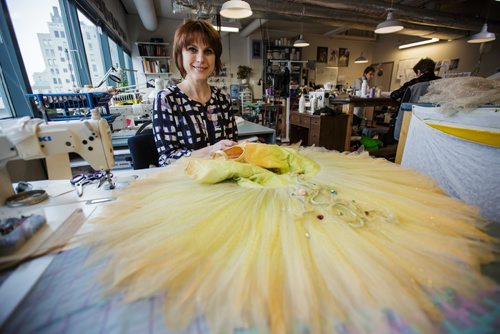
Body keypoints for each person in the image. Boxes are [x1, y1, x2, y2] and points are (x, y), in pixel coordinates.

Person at [152, 19, 238, 166]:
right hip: (184, 183)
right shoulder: (166, 99)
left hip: (221, 180)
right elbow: (168, 159)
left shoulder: (223, 99)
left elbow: (232, 147)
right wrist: (211, 151)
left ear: (215, 58)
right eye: (192, 49)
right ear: (180, 54)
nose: (200, 59)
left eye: (208, 51)